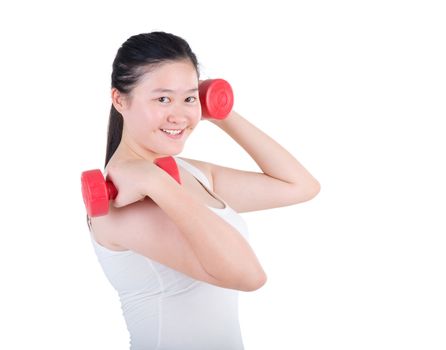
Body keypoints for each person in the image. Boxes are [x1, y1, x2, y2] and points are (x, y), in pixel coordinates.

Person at [86, 31, 320, 350]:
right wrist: (155, 182)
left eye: (190, 97)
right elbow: (249, 275)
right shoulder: (122, 202)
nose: (180, 114)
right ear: (119, 99)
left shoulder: (191, 172)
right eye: (163, 98)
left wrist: (221, 113)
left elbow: (299, 186)